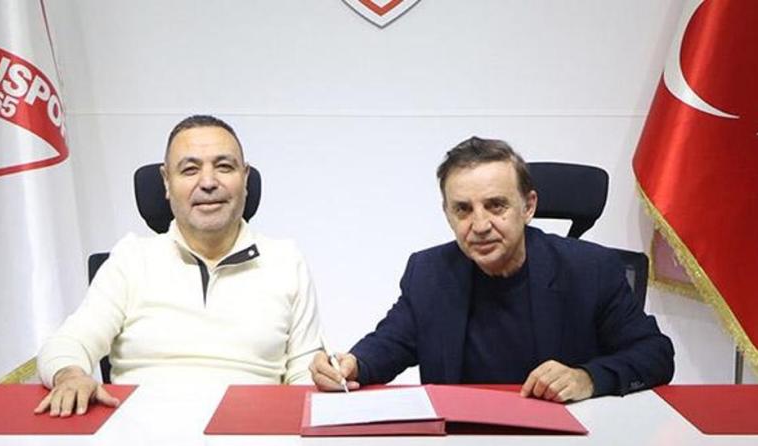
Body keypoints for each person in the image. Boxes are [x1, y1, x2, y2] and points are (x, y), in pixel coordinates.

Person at [311, 137, 674, 401]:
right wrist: (353, 364)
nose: (480, 225)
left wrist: (587, 379)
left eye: (496, 205)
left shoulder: (590, 269)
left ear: (528, 207)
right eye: (463, 209)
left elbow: (655, 355)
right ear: (447, 214)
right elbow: (392, 341)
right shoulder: (430, 272)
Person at [36, 115, 322, 416]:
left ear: (245, 178)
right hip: (143, 434)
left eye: (224, 167)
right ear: (166, 182)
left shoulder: (286, 261)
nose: (208, 183)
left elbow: (306, 376)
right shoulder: (131, 259)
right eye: (190, 170)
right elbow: (67, 343)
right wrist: (71, 376)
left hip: (253, 432)